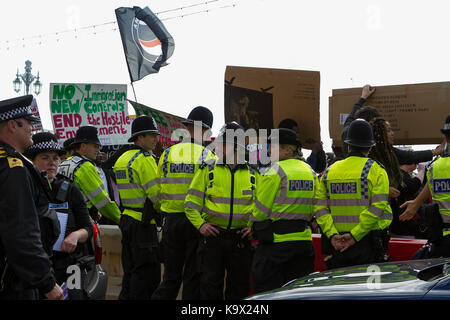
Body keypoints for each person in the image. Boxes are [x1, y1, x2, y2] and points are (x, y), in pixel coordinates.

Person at [0, 95, 63, 300]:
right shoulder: (13, 167)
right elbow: (21, 231)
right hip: (14, 279)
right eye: (27, 123)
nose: (31, 129)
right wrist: (46, 281)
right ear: (12, 125)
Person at [184, 122, 254, 300]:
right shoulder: (208, 169)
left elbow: (263, 207)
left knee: (239, 289)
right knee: (209, 288)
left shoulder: (253, 173)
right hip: (213, 239)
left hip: (241, 240)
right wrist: (201, 226)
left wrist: (254, 227)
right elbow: (190, 203)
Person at [152, 106, 215, 300]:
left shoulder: (168, 154)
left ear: (187, 127)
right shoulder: (208, 156)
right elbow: (212, 194)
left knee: (170, 277)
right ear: (206, 130)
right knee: (192, 278)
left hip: (170, 222)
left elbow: (157, 189)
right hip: (196, 224)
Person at [24, 132, 93, 300]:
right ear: (33, 161)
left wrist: (75, 236)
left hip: (71, 266)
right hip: (40, 267)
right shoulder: (25, 191)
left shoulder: (70, 190)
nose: (51, 163)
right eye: (45, 158)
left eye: (55, 158)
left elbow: (87, 228)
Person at [316, 119, 392, 269]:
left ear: (348, 145)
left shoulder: (329, 171)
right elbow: (378, 208)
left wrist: (332, 235)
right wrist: (354, 235)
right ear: (370, 147)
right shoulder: (376, 171)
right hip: (366, 244)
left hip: (336, 245)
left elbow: (319, 208)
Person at [250, 128, 317, 293]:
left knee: (267, 294)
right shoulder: (311, 172)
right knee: (298, 293)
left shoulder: (274, 170)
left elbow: (259, 211)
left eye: (272, 147)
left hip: (275, 245)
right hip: (303, 242)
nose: (267, 150)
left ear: (288, 150)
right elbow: (315, 207)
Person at [113, 115, 161, 300]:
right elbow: (155, 195)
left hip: (127, 220)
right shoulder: (145, 159)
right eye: (151, 135)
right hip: (143, 223)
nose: (155, 139)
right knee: (146, 275)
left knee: (130, 272)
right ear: (139, 138)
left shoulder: (122, 158)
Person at [400, 115, 450, 257]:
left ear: (445, 138)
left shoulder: (436, 166)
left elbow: (431, 183)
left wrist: (417, 202)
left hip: (443, 239)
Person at [57, 126, 121, 225]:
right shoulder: (85, 167)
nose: (98, 150)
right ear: (83, 146)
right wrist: (121, 220)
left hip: (63, 219)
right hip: (81, 221)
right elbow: (102, 201)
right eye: (95, 146)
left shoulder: (65, 163)